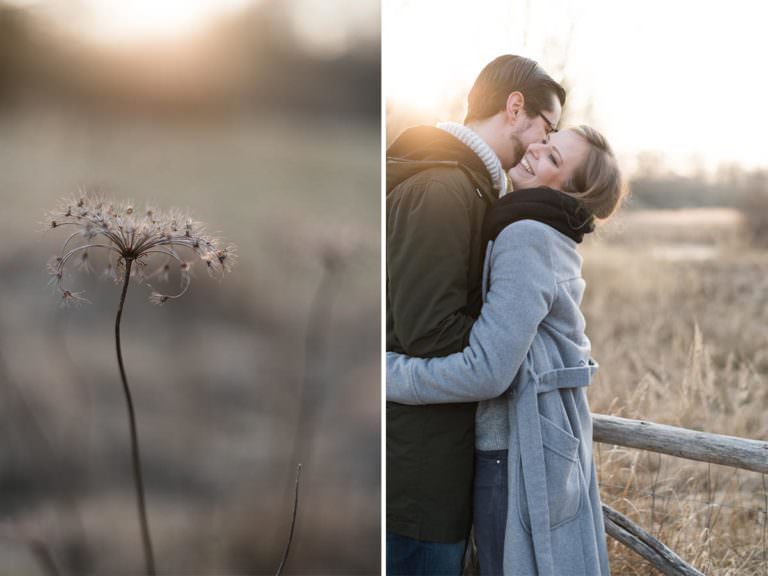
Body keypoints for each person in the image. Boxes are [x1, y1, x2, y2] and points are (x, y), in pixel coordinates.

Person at [387, 126, 625, 576]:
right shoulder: (540, 230)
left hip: (512, 452)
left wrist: (387, 374)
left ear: (572, 194)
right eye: (544, 141)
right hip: (532, 443)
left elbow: (486, 371)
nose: (535, 149)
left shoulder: (528, 236)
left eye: (553, 157)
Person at [386, 55, 569, 576]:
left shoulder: (468, 186)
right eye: (545, 128)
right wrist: (510, 348)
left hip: (434, 461)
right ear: (515, 108)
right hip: (417, 478)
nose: (540, 146)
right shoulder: (442, 189)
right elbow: (431, 334)